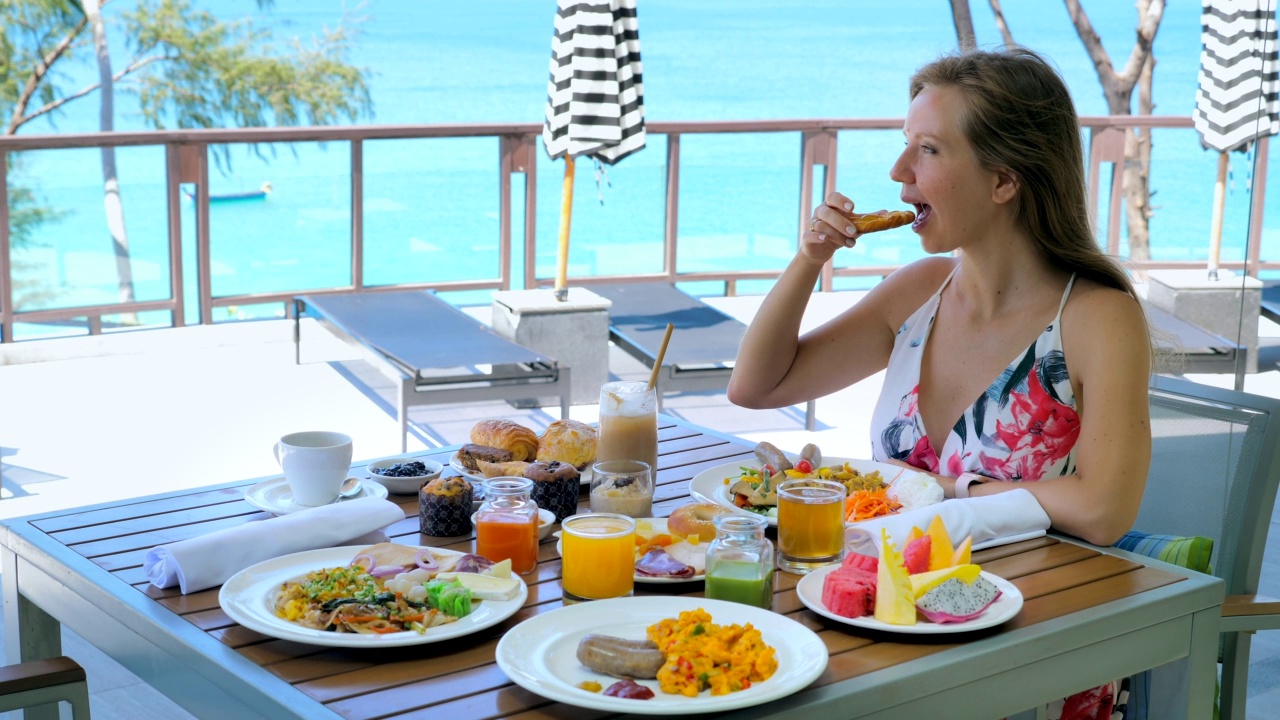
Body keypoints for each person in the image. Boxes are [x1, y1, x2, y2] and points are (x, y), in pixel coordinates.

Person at [729, 45, 1155, 720]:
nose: (898, 173)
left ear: (1004, 180)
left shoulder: (1098, 315)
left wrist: (957, 490)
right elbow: (756, 386)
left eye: (926, 151)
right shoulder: (919, 294)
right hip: (889, 622)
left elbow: (1105, 508)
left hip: (1027, 652)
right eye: (905, 146)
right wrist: (808, 260)